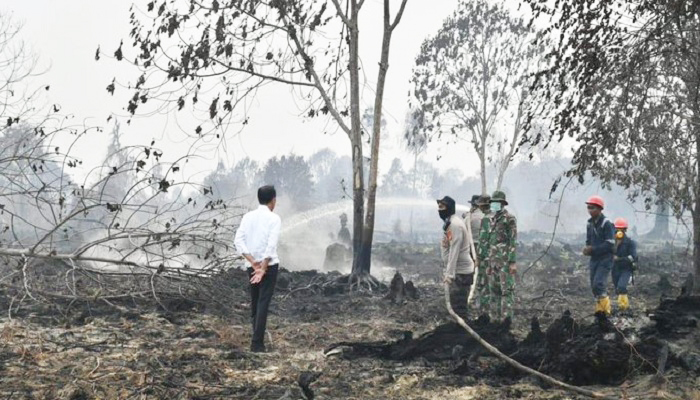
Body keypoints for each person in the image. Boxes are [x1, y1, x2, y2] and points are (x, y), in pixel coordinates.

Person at [234, 185, 282, 352]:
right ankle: (257, 344)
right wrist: (263, 267)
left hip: (252, 266)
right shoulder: (274, 219)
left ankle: (256, 337)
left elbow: (238, 241)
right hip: (269, 267)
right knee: (263, 303)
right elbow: (271, 245)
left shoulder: (248, 217)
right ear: (273, 200)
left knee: (255, 302)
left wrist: (253, 262)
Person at [437, 195, 474, 320]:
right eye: (438, 207)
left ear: (449, 208)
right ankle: (458, 329)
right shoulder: (451, 223)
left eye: (442, 207)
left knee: (459, 307)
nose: (439, 210)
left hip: (461, 273)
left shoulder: (455, 225)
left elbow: (454, 250)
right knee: (455, 306)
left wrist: (450, 274)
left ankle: (462, 333)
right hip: (458, 272)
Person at [486, 191, 517, 321]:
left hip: (504, 261)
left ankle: (506, 321)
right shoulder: (492, 219)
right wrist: (488, 264)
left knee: (507, 291)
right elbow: (490, 242)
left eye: (496, 202)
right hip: (493, 261)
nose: (494, 204)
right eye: (493, 202)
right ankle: (495, 320)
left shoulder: (509, 218)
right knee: (494, 291)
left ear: (502, 203)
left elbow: (513, 240)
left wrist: (512, 262)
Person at [583, 195, 615, 316]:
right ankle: (599, 311)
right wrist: (587, 248)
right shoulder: (589, 223)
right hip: (594, 259)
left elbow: (610, 244)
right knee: (593, 286)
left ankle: (606, 312)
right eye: (588, 208)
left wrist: (594, 249)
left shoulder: (607, 224)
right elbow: (588, 239)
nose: (590, 210)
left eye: (592, 208)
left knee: (599, 284)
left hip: (606, 258)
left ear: (600, 209)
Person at [612, 217, 638, 313]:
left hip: (626, 269)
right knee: (617, 289)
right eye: (617, 229)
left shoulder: (630, 243)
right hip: (615, 269)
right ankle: (620, 309)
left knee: (622, 287)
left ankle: (624, 308)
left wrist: (620, 259)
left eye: (621, 229)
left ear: (625, 230)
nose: (619, 232)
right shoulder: (612, 242)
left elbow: (633, 257)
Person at [476, 195, 492, 317]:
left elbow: (483, 241)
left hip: (485, 259)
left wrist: (479, 257)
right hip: (494, 258)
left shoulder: (486, 219)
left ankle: (484, 312)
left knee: (483, 284)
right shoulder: (496, 218)